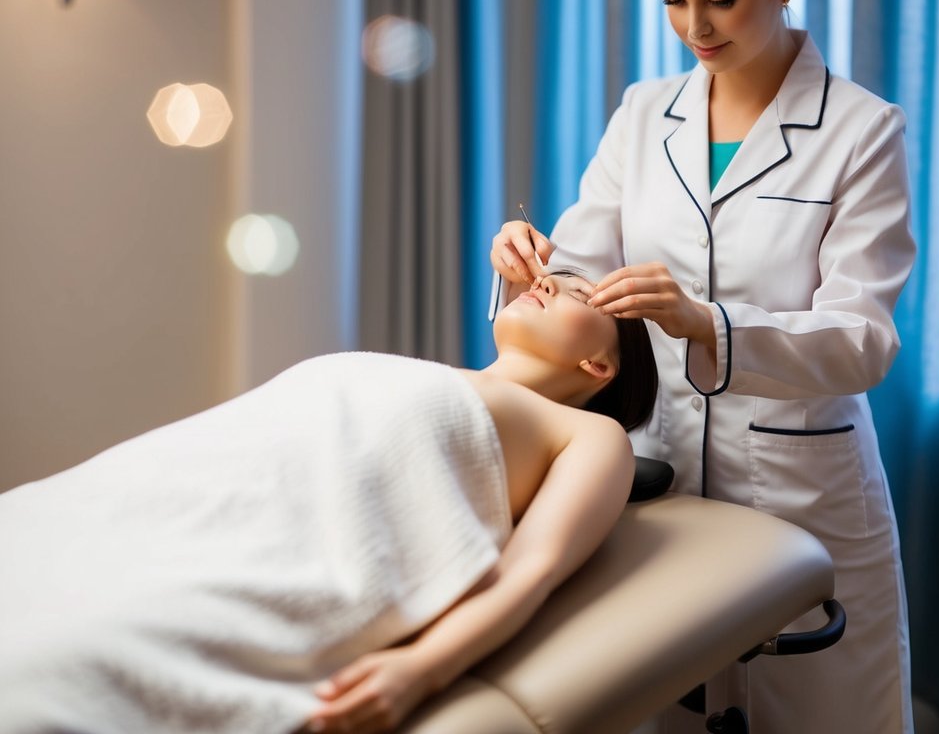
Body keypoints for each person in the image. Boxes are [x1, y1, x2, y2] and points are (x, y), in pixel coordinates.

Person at [490, 0, 916, 734]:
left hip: (804, 495)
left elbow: (863, 340)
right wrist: (524, 264)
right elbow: (578, 274)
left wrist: (705, 324)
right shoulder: (644, 114)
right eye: (674, 1)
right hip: (662, 481)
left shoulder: (862, 131)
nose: (696, 27)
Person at [0, 271, 658, 734]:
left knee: (47, 668)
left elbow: (531, 570)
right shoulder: (418, 372)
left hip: (269, 555)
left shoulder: (589, 435)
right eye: (551, 275)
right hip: (151, 493)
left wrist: (422, 670)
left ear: (601, 365)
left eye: (580, 293)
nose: (546, 282)